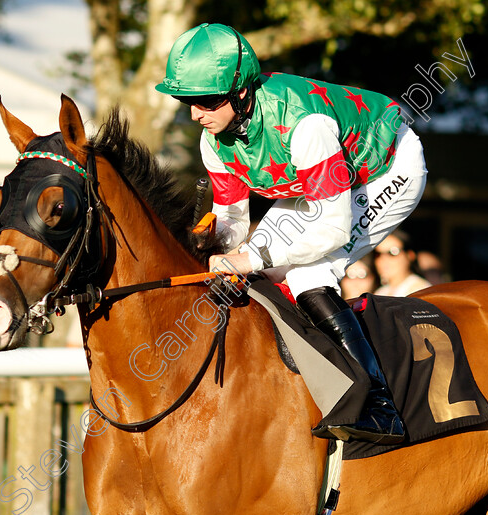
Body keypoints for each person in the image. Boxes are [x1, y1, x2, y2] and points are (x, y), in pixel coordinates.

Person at [156, 23, 429, 444]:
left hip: (387, 166)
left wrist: (252, 258)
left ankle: (379, 405)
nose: (195, 114)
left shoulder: (305, 125)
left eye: (206, 101)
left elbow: (334, 226)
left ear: (242, 91)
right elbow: (230, 221)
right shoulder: (214, 141)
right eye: (185, 101)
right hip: (321, 183)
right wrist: (207, 250)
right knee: (263, 265)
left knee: (304, 272)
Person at [374, 231, 432, 297]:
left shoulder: (420, 291)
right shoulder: (381, 292)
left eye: (393, 252)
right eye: (378, 254)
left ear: (410, 255)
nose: (383, 259)